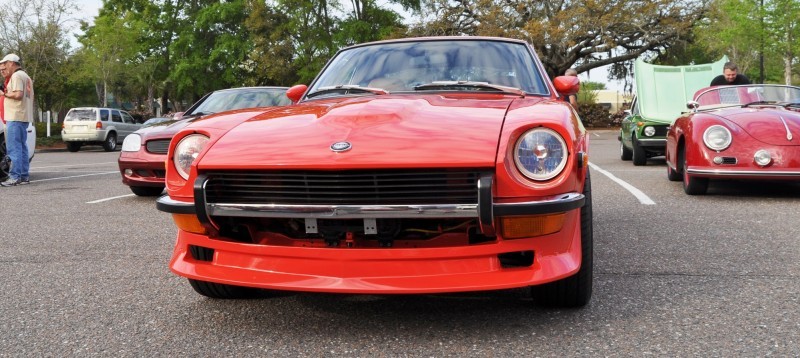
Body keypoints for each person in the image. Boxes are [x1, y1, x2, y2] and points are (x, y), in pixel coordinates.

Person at [0, 54, 34, 187]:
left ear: (12, 63)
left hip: (15, 115)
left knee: (14, 148)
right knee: (22, 147)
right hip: (24, 115)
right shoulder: (26, 76)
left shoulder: (16, 76)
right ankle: (24, 176)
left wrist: (4, 94)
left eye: (6, 63)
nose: (4, 66)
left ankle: (14, 177)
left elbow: (18, 94)